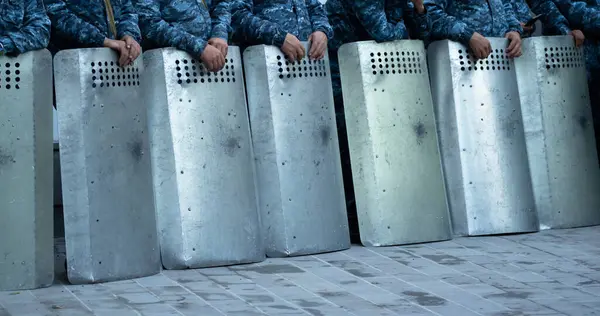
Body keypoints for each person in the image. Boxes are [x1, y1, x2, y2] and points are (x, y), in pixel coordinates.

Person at [324, 0, 431, 242]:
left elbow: (423, 33)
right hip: (345, 79)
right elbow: (384, 34)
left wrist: (419, 8)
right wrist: (407, 24)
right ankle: (355, 221)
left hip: (379, 77)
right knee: (353, 152)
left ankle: (391, 215)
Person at [136, 0, 232, 72]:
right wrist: (198, 47)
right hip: (169, 70)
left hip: (214, 64)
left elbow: (222, 4)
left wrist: (220, 33)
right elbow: (148, 23)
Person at [44, 0, 142, 66]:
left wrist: (129, 36)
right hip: (71, 67)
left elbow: (127, 10)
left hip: (115, 65)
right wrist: (103, 41)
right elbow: (56, 14)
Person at [231, 0, 332, 62]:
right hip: (267, 67)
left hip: (308, 65)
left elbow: (315, 8)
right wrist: (278, 36)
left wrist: (322, 30)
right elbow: (236, 15)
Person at [424, 0, 523, 59]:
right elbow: (429, 14)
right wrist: (467, 34)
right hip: (462, 60)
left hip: (502, 59)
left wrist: (514, 29)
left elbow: (506, 5)